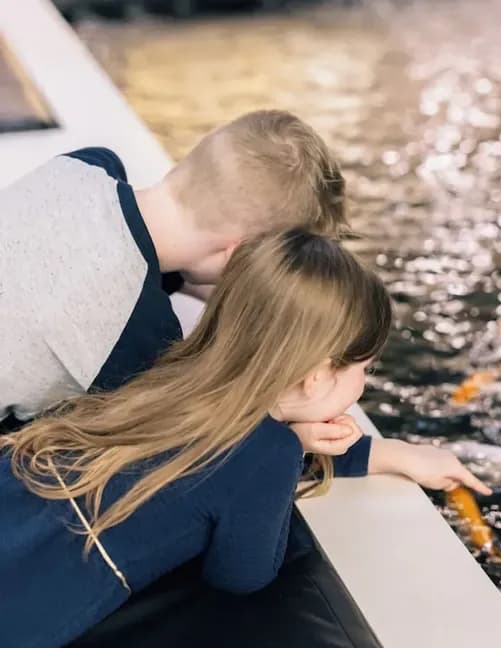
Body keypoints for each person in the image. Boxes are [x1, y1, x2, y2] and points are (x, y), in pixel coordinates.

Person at [0, 229, 489, 648]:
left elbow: (225, 460)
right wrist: (289, 452)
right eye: (366, 369)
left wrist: (386, 453)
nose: (365, 382)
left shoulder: (177, 371)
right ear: (317, 375)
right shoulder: (269, 454)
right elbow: (242, 576)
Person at [0, 109, 347, 426]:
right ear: (237, 256)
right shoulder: (141, 332)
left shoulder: (88, 165)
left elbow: (103, 250)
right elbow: (178, 430)